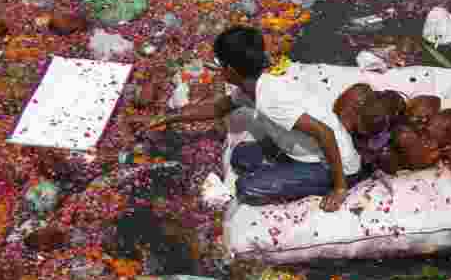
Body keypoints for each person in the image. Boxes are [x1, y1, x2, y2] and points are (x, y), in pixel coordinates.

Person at [128, 26, 363, 212]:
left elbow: (324, 132)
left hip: (334, 166)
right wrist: (167, 117)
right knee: (240, 156)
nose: (217, 70)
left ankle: (319, 179)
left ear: (230, 70)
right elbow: (217, 109)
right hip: (303, 151)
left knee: (248, 187)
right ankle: (291, 166)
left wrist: (340, 188)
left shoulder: (271, 99)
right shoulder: (250, 87)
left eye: (219, 64)